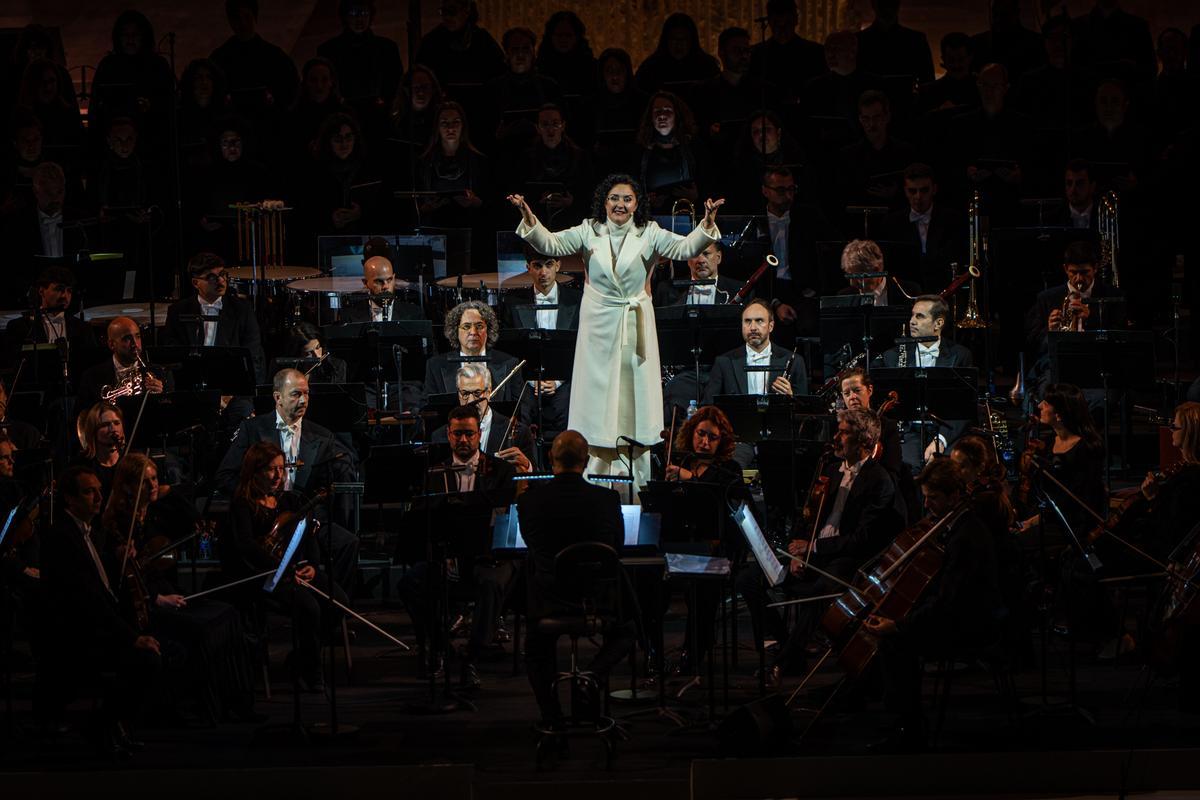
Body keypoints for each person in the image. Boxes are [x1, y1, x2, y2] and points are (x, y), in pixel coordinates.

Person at [510, 173, 723, 485]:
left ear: (637, 204)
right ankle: (593, 479)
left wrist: (706, 224)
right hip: (597, 327)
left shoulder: (649, 232)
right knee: (596, 403)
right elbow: (551, 243)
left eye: (627, 199)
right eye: (614, 198)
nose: (620, 204)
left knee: (631, 401)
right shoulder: (588, 230)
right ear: (604, 202)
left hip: (635, 324)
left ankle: (634, 480)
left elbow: (684, 248)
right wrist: (530, 218)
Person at [739, 408, 903, 685]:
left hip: (843, 558)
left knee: (819, 591)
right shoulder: (830, 469)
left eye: (843, 432)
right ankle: (787, 644)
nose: (836, 438)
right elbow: (808, 516)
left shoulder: (880, 480)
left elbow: (862, 539)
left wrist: (812, 548)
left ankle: (783, 662)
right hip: (812, 553)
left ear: (864, 440)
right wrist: (795, 553)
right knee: (749, 579)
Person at [101, 453, 257, 722]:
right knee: (203, 629)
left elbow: (191, 519)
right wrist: (158, 599)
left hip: (167, 592)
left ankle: (236, 704)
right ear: (127, 486)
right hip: (145, 603)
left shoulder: (155, 512)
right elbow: (120, 584)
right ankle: (206, 708)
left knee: (229, 615)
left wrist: (169, 491)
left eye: (154, 479)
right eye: (144, 482)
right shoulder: (118, 525)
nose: (151, 486)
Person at [863, 457, 1005, 752]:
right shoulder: (955, 525)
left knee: (894, 642)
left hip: (970, 624)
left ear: (955, 496)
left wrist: (900, 624)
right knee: (896, 633)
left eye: (934, 499)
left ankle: (909, 729)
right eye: (925, 497)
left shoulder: (965, 536)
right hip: (957, 613)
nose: (927, 506)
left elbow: (948, 605)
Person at [40, 465, 161, 756]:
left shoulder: (87, 532)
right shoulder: (63, 537)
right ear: (69, 499)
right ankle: (104, 725)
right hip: (78, 635)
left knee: (156, 645)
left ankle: (115, 725)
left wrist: (117, 559)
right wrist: (131, 637)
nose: (98, 497)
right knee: (147, 659)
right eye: (88, 491)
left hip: (95, 625)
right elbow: (88, 600)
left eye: (98, 490)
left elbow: (101, 584)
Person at [519, 430, 632, 728]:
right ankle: (593, 676)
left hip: (548, 603)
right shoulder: (607, 499)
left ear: (551, 459)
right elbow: (615, 550)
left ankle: (551, 717)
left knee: (536, 649)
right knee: (628, 629)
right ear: (586, 461)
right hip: (595, 602)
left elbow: (533, 547)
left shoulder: (529, 502)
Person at [400, 405, 518, 687]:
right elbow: (425, 522)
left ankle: (473, 656)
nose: (463, 440)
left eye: (468, 434)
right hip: (446, 557)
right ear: (449, 435)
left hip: (486, 557)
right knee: (409, 584)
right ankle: (440, 647)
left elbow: (505, 520)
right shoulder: (433, 471)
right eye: (457, 435)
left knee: (492, 583)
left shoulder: (501, 471)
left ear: (479, 434)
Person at [216, 369, 359, 590]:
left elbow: (324, 488)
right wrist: (257, 500)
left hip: (303, 518)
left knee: (347, 544)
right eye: (295, 394)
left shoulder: (323, 436)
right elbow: (225, 476)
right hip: (263, 519)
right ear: (277, 397)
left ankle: (333, 613)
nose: (303, 400)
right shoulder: (252, 429)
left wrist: (312, 518)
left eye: (306, 393)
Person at [228, 441, 346, 692]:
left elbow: (309, 534)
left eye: (281, 469)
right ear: (255, 471)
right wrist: (280, 568)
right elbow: (247, 547)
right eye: (271, 469)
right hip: (265, 575)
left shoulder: (289, 501)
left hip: (296, 570)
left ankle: (301, 658)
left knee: (340, 602)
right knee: (310, 608)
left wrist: (313, 566)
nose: (278, 476)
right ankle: (313, 674)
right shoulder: (243, 505)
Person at [164, 253, 266, 383]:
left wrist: (232, 393)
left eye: (223, 274)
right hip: (193, 385)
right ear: (196, 283)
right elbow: (173, 356)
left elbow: (253, 355)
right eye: (212, 277)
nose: (221, 281)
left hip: (233, 385)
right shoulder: (177, 311)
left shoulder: (242, 310)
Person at [1023, 240, 1125, 358]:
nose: (1079, 279)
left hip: (1099, 359)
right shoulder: (1046, 298)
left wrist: (1091, 319)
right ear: (1066, 269)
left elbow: (1121, 339)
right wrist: (1050, 331)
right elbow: (1032, 344)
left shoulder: (1113, 296)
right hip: (1058, 362)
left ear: (1095, 268)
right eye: (1073, 272)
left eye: (1085, 272)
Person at [209, 0, 300, 126]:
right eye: (237, 18)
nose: (243, 23)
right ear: (230, 21)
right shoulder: (219, 59)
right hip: (232, 127)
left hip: (268, 125)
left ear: (255, 17)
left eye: (247, 17)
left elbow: (291, 90)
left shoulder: (275, 57)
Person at [429, 364, 534, 472]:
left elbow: (538, 481)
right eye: (465, 393)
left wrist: (527, 466)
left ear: (489, 392)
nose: (470, 401)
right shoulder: (439, 436)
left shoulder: (519, 432)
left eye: (477, 393)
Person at [703, 299, 808, 403]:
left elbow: (804, 410)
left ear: (771, 326)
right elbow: (708, 407)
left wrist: (791, 397)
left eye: (759, 321)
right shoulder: (723, 362)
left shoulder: (795, 361)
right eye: (747, 321)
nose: (753, 327)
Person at [882, 163, 967, 291]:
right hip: (907, 291)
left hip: (945, 289)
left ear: (934, 189)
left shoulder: (952, 219)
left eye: (924, 190)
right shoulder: (892, 223)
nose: (918, 197)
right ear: (905, 191)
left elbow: (954, 258)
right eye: (912, 191)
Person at [423, 300, 521, 404]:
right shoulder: (435, 366)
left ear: (488, 330)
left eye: (479, 326)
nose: (473, 332)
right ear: (455, 330)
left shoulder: (510, 363)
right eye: (466, 326)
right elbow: (428, 409)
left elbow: (521, 409)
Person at [315, 0, 402, 117]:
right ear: (345, 16)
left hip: (378, 115)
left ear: (370, 15)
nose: (359, 19)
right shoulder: (328, 50)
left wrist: (385, 101)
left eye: (364, 13)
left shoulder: (387, 48)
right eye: (354, 13)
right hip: (341, 116)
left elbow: (395, 80)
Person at [835, 90, 917, 212]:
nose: (872, 124)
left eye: (877, 117)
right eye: (866, 119)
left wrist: (897, 193)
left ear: (887, 116)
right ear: (860, 120)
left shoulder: (906, 152)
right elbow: (842, 196)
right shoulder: (847, 156)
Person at [4, 264, 95, 360]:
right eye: (59, 289)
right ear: (41, 291)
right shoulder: (19, 327)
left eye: (69, 291)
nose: (65, 295)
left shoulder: (83, 329)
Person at [76, 316, 166, 412]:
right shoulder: (91, 377)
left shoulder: (159, 373)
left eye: (138, 336)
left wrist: (161, 397)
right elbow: (82, 417)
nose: (135, 344)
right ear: (112, 344)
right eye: (127, 338)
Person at [747, 0, 826, 105]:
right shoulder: (755, 53)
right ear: (769, 22)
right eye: (777, 23)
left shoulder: (817, 52)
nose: (782, 28)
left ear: (795, 20)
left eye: (787, 22)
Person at [412, 0, 504, 90]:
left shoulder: (483, 40)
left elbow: (499, 74)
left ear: (466, 12)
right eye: (444, 12)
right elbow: (419, 75)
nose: (447, 16)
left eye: (452, 11)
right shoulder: (431, 42)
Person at [633, 13, 720, 93]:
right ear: (666, 40)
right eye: (674, 39)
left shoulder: (707, 67)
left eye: (684, 39)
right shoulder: (649, 69)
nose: (679, 44)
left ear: (691, 41)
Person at [855, 0, 934, 85]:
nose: (887, 9)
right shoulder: (916, 40)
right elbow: (928, 81)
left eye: (891, 4)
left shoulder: (859, 40)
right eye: (883, 5)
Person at [653, 240, 741, 307]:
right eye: (695, 254)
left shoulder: (738, 290)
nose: (701, 260)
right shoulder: (666, 290)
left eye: (706, 254)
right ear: (687, 259)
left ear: (718, 257)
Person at [340, 254, 422, 323]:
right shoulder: (349, 317)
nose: (386, 286)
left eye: (389, 280)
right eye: (379, 281)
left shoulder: (415, 314)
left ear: (394, 278)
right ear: (366, 283)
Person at [836, 239, 920, 305]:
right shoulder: (843, 297)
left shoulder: (908, 292)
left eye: (858, 277)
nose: (852, 283)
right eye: (850, 276)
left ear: (876, 269)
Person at [534, 11, 596, 97]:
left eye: (568, 35)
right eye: (559, 35)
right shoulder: (539, 67)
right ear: (551, 37)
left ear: (577, 37)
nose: (563, 40)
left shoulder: (591, 66)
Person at [72, 401, 126, 496]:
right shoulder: (81, 467)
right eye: (105, 425)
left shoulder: (131, 459)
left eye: (117, 423)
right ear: (93, 430)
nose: (113, 429)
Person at [283, 322, 348, 384]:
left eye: (318, 347)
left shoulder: (337, 366)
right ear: (298, 354)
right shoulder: (285, 371)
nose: (317, 356)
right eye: (309, 353)